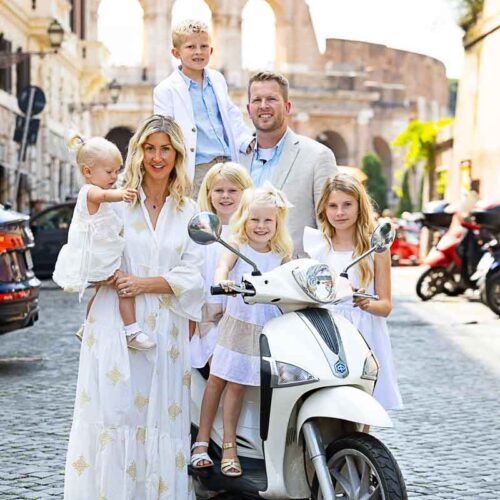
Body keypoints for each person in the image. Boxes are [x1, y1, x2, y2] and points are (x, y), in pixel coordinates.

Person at [63, 115, 204, 499]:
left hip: (168, 331)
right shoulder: (116, 201)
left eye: (166, 149)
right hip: (115, 327)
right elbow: (89, 261)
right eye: (149, 147)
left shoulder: (189, 211)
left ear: (177, 154)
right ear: (137, 152)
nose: (157, 157)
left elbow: (194, 276)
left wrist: (142, 283)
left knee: (163, 421)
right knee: (115, 417)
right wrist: (107, 273)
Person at [190, 184, 293, 477]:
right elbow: (222, 267)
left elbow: (290, 280)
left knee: (237, 386)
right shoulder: (238, 245)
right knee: (217, 382)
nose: (260, 226)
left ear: (277, 222)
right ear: (243, 219)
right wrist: (222, 281)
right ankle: (200, 442)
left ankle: (231, 445)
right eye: (254, 219)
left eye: (267, 220)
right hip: (236, 325)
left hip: (266, 327)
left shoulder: (282, 252)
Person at [303, 173, 402, 413]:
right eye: (333, 206)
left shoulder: (375, 247)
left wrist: (364, 301)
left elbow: (385, 306)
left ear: (359, 205)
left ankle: (358, 449)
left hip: (364, 332)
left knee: (361, 406)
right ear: (324, 208)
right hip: (325, 330)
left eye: (347, 204)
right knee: (327, 406)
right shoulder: (317, 244)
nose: (340, 212)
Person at [52, 134, 155, 351]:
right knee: (123, 284)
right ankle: (131, 330)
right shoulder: (90, 191)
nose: (114, 176)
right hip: (98, 256)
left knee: (98, 294)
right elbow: (104, 196)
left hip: (100, 253)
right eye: (109, 172)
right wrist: (122, 194)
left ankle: (86, 325)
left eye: (117, 171)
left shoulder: (95, 188)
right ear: (88, 172)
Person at [240, 71, 338, 256]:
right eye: (257, 100)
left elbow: (329, 227)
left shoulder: (318, 156)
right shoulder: (236, 157)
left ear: (287, 107)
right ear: (248, 108)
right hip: (239, 273)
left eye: (271, 99)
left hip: (293, 273)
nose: (263, 106)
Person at [153, 19, 253, 195]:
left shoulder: (218, 80)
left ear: (211, 50)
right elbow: (165, 133)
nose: (198, 52)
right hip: (197, 167)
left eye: (204, 46)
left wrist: (244, 140)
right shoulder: (165, 90)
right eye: (191, 47)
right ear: (176, 53)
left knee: (230, 216)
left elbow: (230, 114)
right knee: (201, 218)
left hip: (227, 164)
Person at [190, 161, 253, 370]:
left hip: (239, 314)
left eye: (233, 190)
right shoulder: (202, 232)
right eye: (219, 190)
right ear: (208, 194)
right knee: (214, 370)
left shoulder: (250, 232)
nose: (225, 196)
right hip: (209, 313)